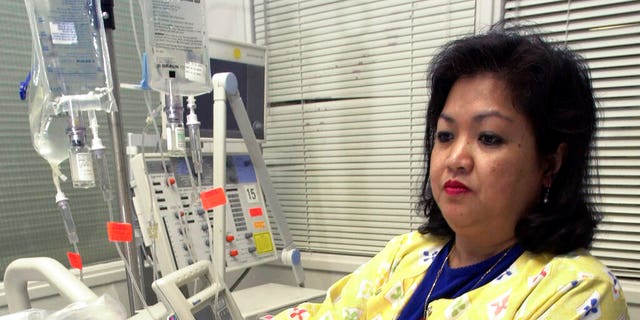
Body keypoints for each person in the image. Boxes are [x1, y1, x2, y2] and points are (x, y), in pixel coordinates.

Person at [267, 25, 630, 319]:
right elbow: (326, 313)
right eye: (445, 135)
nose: (456, 157)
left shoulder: (578, 291)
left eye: (488, 138)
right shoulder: (408, 253)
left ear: (550, 163)